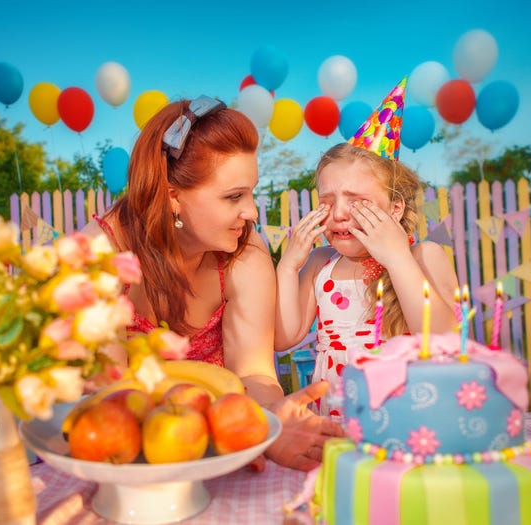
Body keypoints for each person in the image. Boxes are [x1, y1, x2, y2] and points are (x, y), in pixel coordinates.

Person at [82, 95, 343, 471]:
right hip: (122, 456)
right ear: (173, 197)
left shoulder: (246, 250)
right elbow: (107, 394)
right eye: (234, 196)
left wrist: (269, 423)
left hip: (222, 454)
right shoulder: (101, 253)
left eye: (251, 192)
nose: (252, 211)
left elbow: (253, 372)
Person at [274, 142, 459, 419]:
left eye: (357, 201)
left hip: (407, 419)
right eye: (327, 201)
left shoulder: (422, 257)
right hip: (336, 417)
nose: (338, 214)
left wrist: (397, 258)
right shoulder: (319, 263)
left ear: (395, 209)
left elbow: (444, 340)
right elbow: (283, 337)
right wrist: (288, 266)